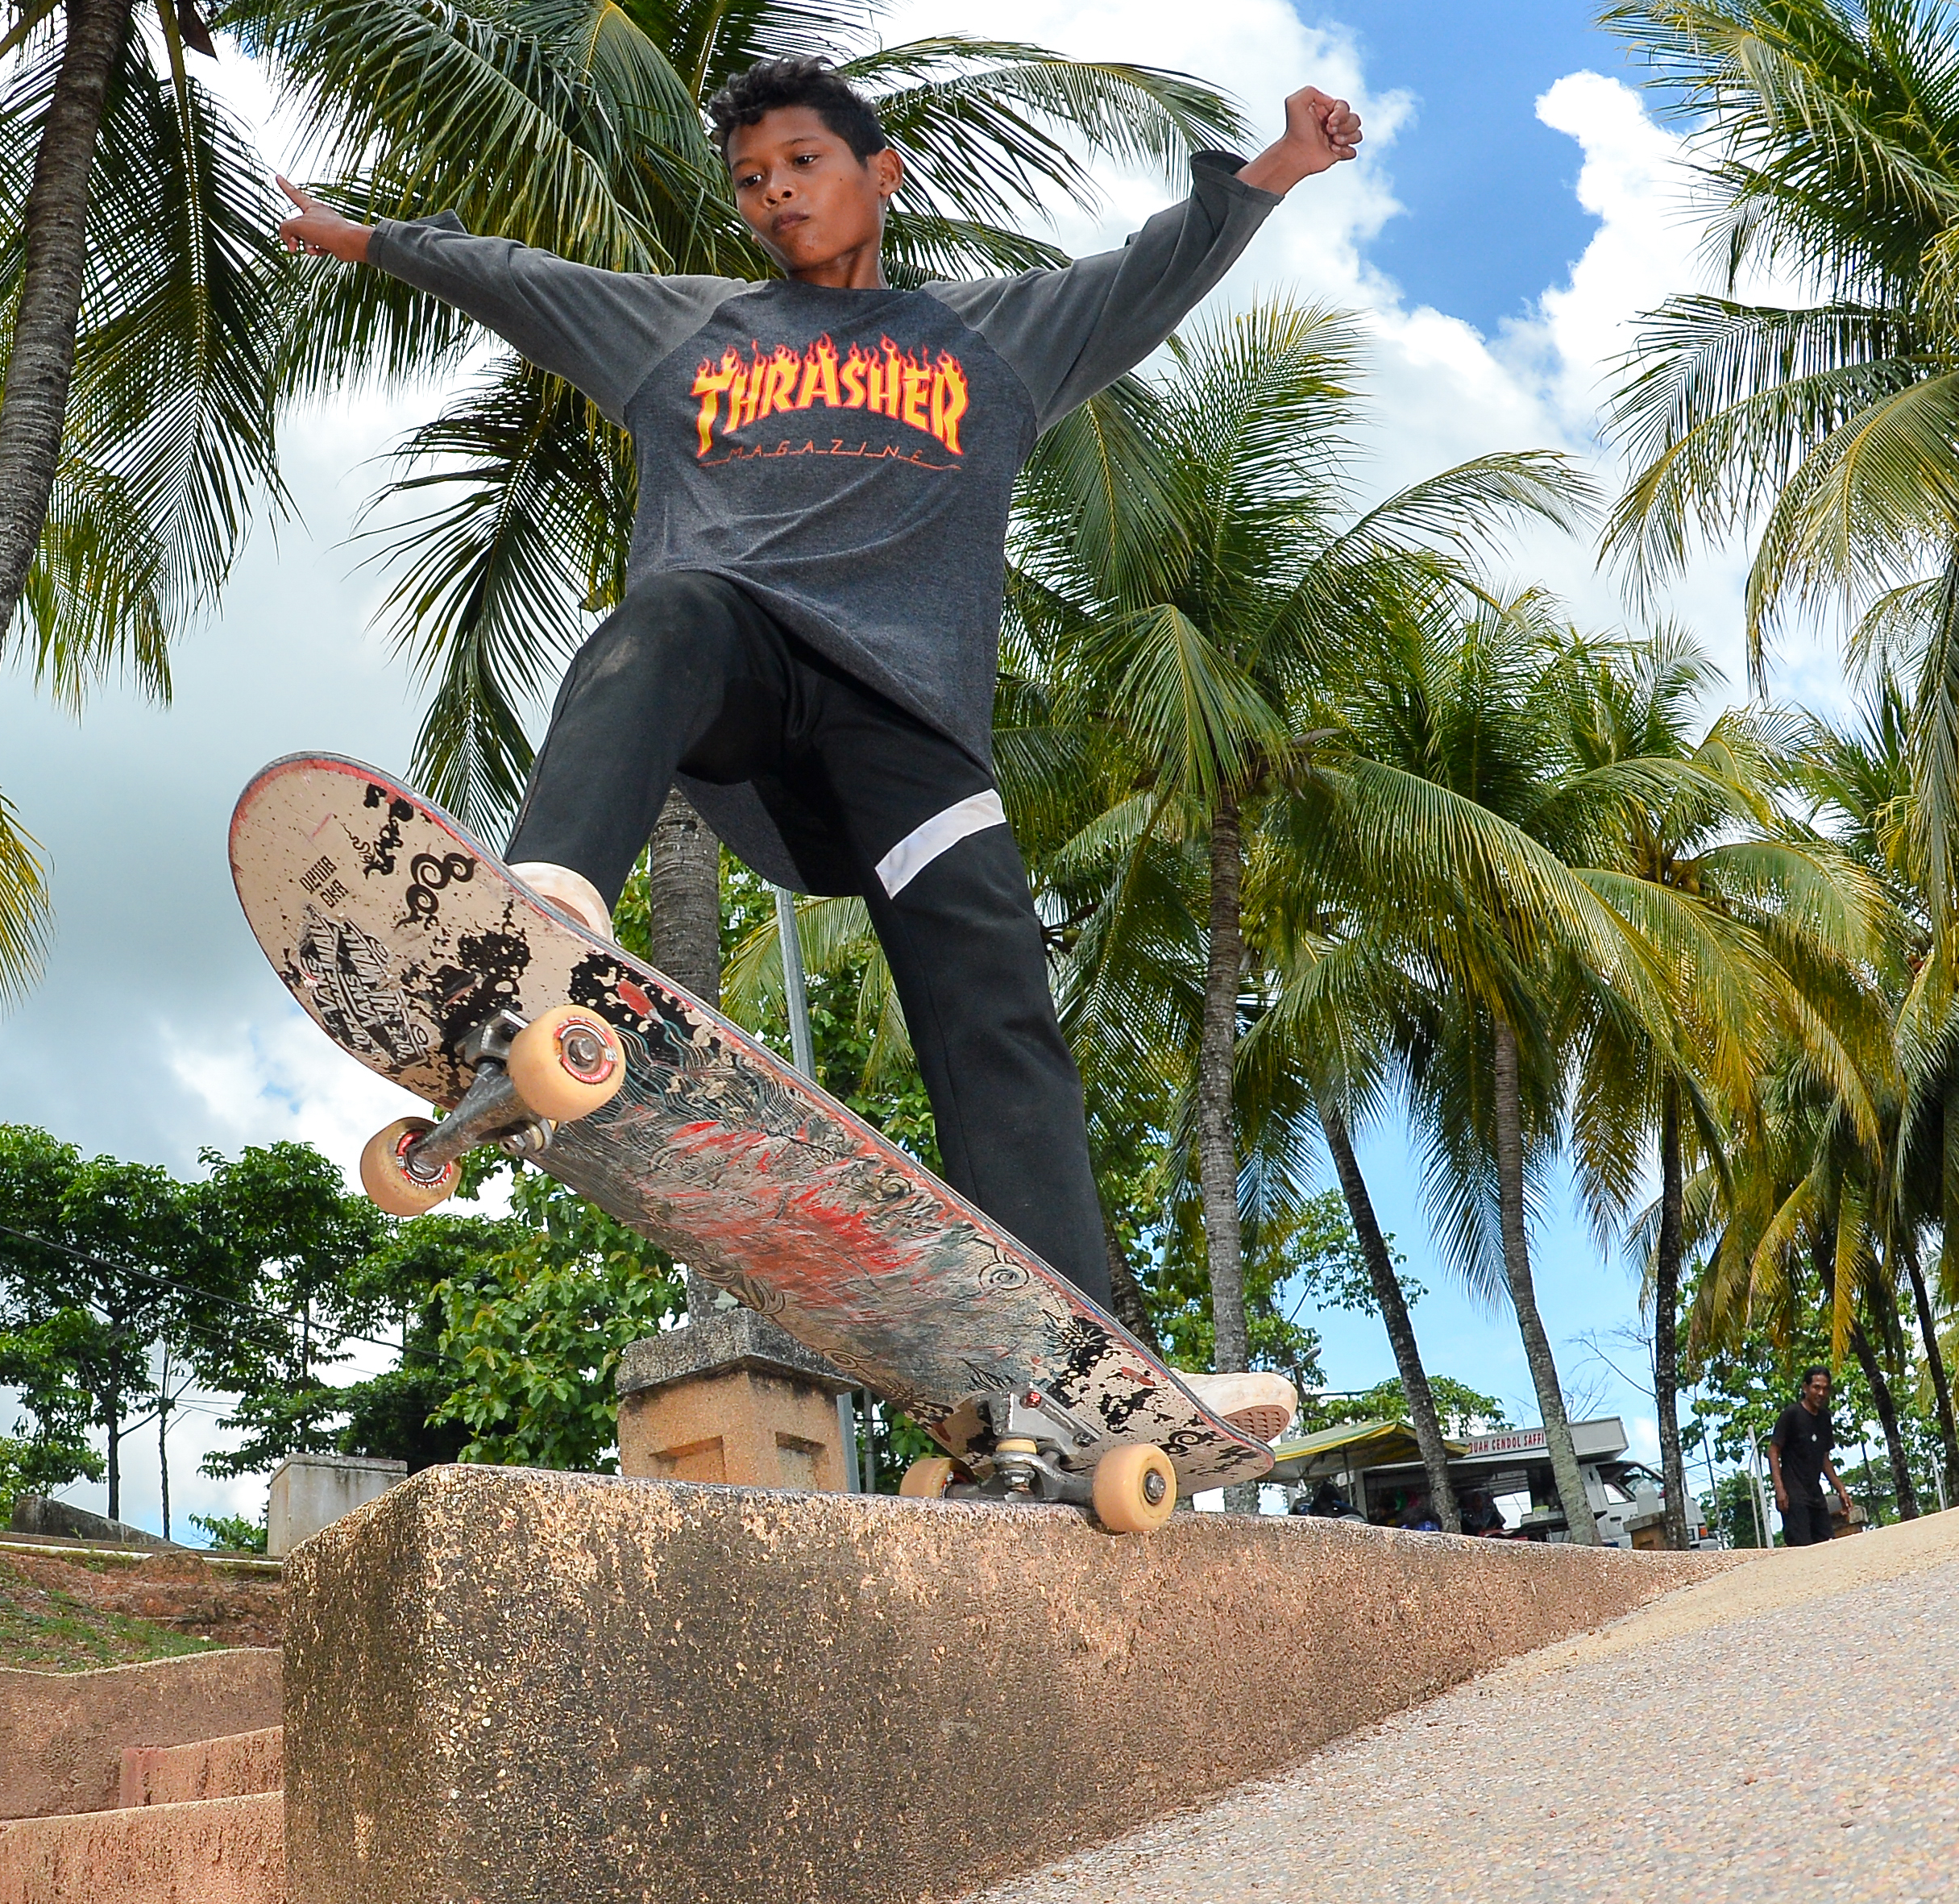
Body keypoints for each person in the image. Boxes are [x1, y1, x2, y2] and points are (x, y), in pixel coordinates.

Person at [279, 63, 1359, 1434]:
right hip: (741, 687)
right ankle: (542, 909)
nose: (774, 193)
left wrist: (1272, 169)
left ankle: (1081, 1355)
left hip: (902, 733)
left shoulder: (995, 337)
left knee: (995, 993)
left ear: (879, 171)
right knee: (663, 615)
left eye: (799, 162)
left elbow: (1145, 271)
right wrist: (371, 240)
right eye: (749, 180)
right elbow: (525, 280)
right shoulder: (691, 330)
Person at [1768, 1366, 1853, 1545]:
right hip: (1794, 1497)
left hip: (1816, 1495)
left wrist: (1841, 1489)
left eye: (1825, 1388)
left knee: (1827, 1544)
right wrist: (1780, 1490)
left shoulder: (1824, 1419)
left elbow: (1825, 1460)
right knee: (1801, 1550)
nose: (1821, 1393)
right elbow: (1774, 1451)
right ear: (1805, 1388)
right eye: (1816, 1387)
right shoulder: (1792, 1414)